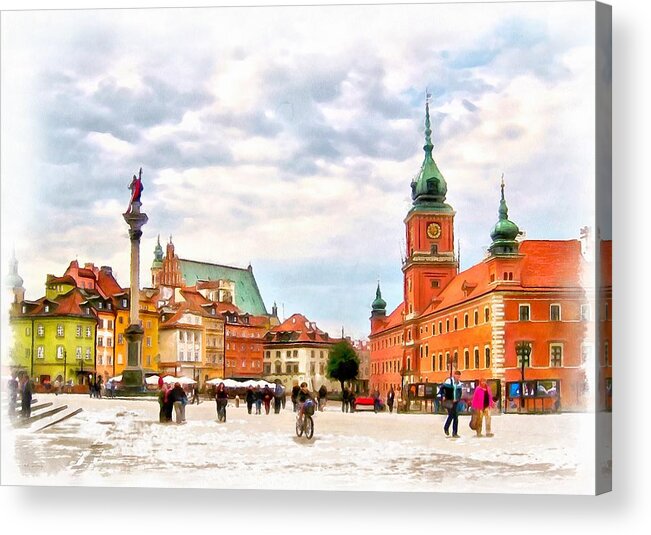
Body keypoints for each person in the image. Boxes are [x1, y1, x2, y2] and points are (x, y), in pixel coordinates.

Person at [442, 370, 463, 438]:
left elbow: (460, 393)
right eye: (457, 376)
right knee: (451, 415)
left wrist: (457, 399)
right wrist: (444, 396)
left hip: (455, 402)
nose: (458, 377)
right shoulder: (449, 381)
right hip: (449, 401)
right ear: (454, 375)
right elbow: (443, 389)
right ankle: (446, 428)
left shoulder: (459, 384)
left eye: (459, 376)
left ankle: (455, 433)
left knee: (456, 417)